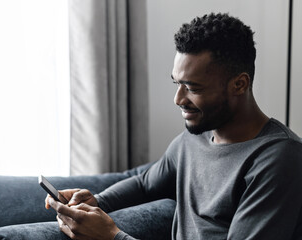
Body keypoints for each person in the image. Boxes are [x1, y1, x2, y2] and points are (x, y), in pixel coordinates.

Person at [46, 13, 302, 240]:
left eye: (192, 88)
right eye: (177, 83)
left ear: (239, 84)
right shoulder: (196, 138)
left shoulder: (279, 160)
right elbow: (146, 184)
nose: (178, 99)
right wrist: (98, 200)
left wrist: (112, 236)